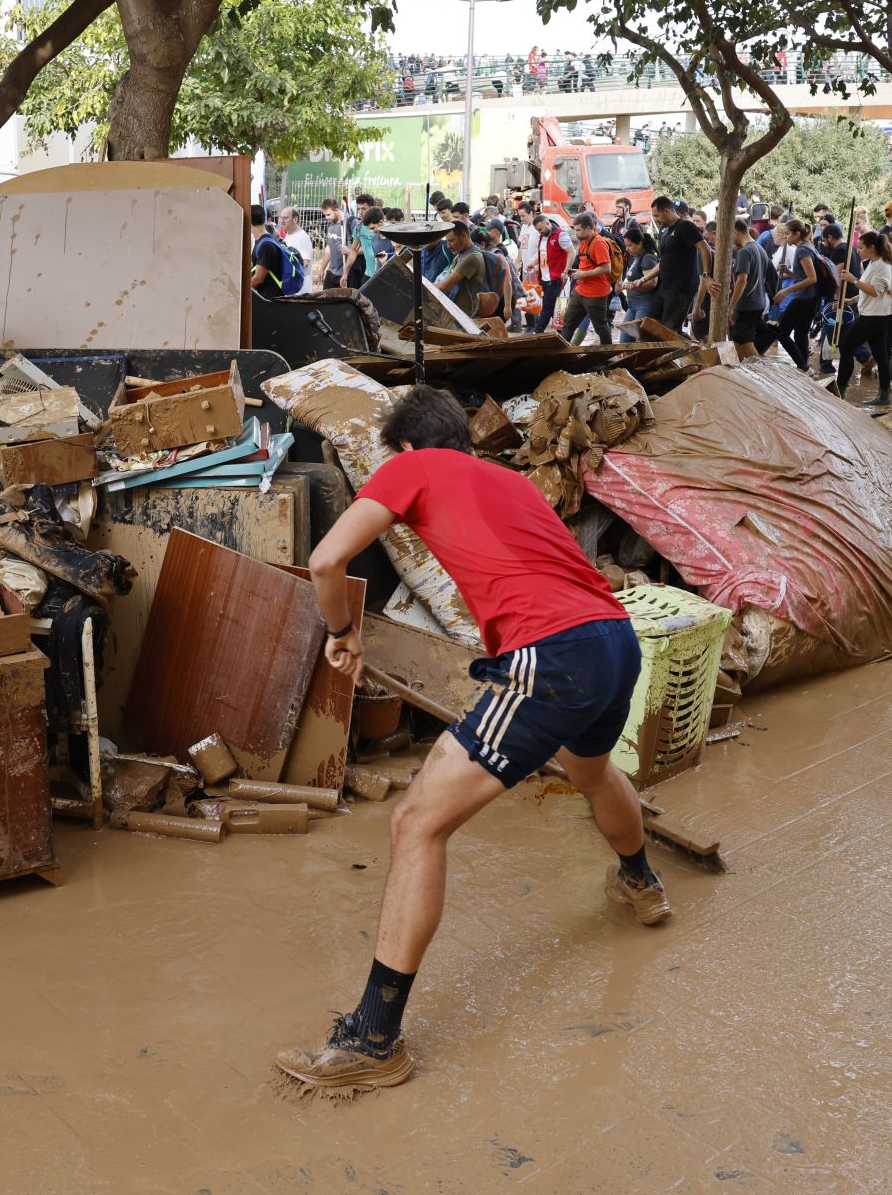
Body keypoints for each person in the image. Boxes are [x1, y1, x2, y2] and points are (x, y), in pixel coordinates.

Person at [274, 385, 667, 1093]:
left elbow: (327, 562)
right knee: (592, 771)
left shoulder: (411, 465)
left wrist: (342, 634)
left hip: (550, 656)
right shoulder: (509, 479)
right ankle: (642, 881)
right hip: (613, 640)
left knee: (416, 822)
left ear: (405, 447)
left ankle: (373, 1038)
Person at [838, 231, 892, 405]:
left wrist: (853, 280)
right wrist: (852, 300)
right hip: (875, 313)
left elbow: (875, 291)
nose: (859, 250)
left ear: (872, 248)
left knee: (846, 346)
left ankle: (840, 391)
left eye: (861, 247)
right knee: (880, 354)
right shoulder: (874, 262)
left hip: (875, 316)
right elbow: (870, 290)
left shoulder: (883, 265)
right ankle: (884, 395)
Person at [767, 219, 820, 370]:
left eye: (788, 233)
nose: (786, 237)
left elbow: (812, 278)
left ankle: (802, 366)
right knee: (800, 335)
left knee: (781, 332)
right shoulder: (808, 246)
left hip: (804, 298)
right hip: (811, 298)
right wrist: (789, 272)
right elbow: (804, 275)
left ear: (797, 234)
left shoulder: (803, 249)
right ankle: (804, 370)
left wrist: (786, 290)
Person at [650, 195, 703, 334]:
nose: (656, 220)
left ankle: (691, 350)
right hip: (664, 287)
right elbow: (664, 261)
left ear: (666, 211)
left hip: (680, 289)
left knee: (669, 332)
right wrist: (644, 278)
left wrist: (706, 274)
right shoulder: (664, 230)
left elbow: (705, 250)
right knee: (649, 326)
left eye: (657, 216)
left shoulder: (686, 226)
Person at [559, 214, 616, 344]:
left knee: (600, 327)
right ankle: (560, 357)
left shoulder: (599, 243)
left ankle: (606, 357)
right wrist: (571, 271)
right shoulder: (584, 242)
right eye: (575, 229)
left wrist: (583, 274)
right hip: (580, 291)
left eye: (578, 230)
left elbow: (606, 268)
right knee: (568, 324)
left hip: (596, 293)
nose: (576, 233)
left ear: (589, 228)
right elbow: (584, 264)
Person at [726, 218, 770, 351]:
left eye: (730, 235)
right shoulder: (759, 247)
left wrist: (731, 306)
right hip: (758, 302)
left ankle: (756, 370)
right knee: (738, 342)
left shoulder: (744, 251)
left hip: (746, 304)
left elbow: (742, 280)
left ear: (735, 232)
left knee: (745, 342)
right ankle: (742, 371)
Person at [431, 221, 489, 319]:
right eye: (447, 241)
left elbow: (443, 286)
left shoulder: (472, 258)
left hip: (463, 316)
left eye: (451, 241)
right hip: (455, 312)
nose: (448, 246)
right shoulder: (459, 256)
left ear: (463, 235)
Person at [617, 227, 659, 337]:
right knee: (624, 340)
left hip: (644, 304)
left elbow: (652, 283)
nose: (627, 249)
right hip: (633, 305)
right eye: (626, 246)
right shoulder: (637, 257)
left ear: (640, 243)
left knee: (641, 340)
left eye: (630, 245)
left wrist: (632, 286)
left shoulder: (647, 258)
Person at [248, 204, 291, 298]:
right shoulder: (268, 239)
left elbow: (259, 278)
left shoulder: (265, 245)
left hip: (269, 301)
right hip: (269, 299)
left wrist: (241, 293)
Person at [278, 206, 314, 290]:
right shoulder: (288, 235)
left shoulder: (302, 237)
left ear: (295, 219)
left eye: (286, 218)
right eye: (281, 218)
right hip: (291, 287)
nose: (282, 221)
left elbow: (305, 263)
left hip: (301, 290)